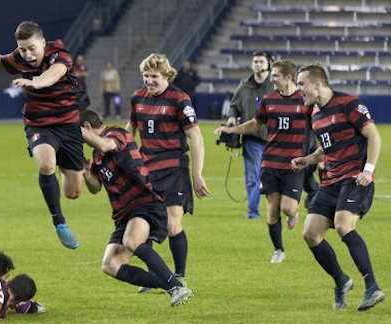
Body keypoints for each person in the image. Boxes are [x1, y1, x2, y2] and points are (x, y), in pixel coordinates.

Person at [0, 21, 89, 249]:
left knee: (73, 193)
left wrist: (36, 83)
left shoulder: (58, 53)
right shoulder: (19, 57)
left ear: (43, 43)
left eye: (32, 48)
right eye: (23, 49)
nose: (27, 54)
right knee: (46, 165)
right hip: (39, 125)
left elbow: (55, 74)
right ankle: (59, 222)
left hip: (68, 126)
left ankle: (83, 166)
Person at [292, 63, 385, 311]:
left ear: (317, 84)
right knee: (310, 234)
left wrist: (368, 170)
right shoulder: (315, 114)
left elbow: (373, 135)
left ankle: (372, 287)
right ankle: (341, 281)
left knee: (344, 225)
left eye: (301, 84)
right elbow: (326, 149)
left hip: (355, 177)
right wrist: (307, 160)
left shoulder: (348, 103)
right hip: (330, 180)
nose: (298, 89)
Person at [80, 109, 192, 307]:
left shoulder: (116, 134)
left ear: (87, 127)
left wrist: (72, 127)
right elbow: (96, 188)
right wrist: (88, 174)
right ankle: (167, 284)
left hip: (144, 202)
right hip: (123, 213)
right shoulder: (96, 154)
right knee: (110, 264)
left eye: (79, 133)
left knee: (131, 241)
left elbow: (107, 145)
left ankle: (176, 286)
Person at [125, 53, 209, 292]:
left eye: (154, 77)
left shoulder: (180, 99)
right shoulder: (138, 97)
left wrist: (197, 174)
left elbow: (196, 137)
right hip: (146, 172)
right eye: (146, 76)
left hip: (174, 170)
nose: (149, 81)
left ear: (167, 75)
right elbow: (130, 131)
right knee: (147, 226)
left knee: (173, 225)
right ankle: (155, 277)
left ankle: (179, 275)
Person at [214, 60, 312, 263]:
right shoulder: (269, 100)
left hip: (295, 163)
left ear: (288, 77)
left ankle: (293, 215)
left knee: (287, 207)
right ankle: (278, 250)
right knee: (272, 207)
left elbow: (318, 125)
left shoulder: (305, 102)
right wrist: (231, 129)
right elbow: (254, 124)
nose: (271, 79)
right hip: (270, 162)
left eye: (275, 75)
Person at [227, 51, 274, 219]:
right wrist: (232, 117)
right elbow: (233, 106)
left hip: (274, 138)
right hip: (251, 137)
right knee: (253, 176)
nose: (257, 64)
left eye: (261, 61)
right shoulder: (244, 86)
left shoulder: (275, 85)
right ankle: (253, 212)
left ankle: (279, 208)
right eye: (255, 61)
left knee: (276, 175)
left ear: (269, 63)